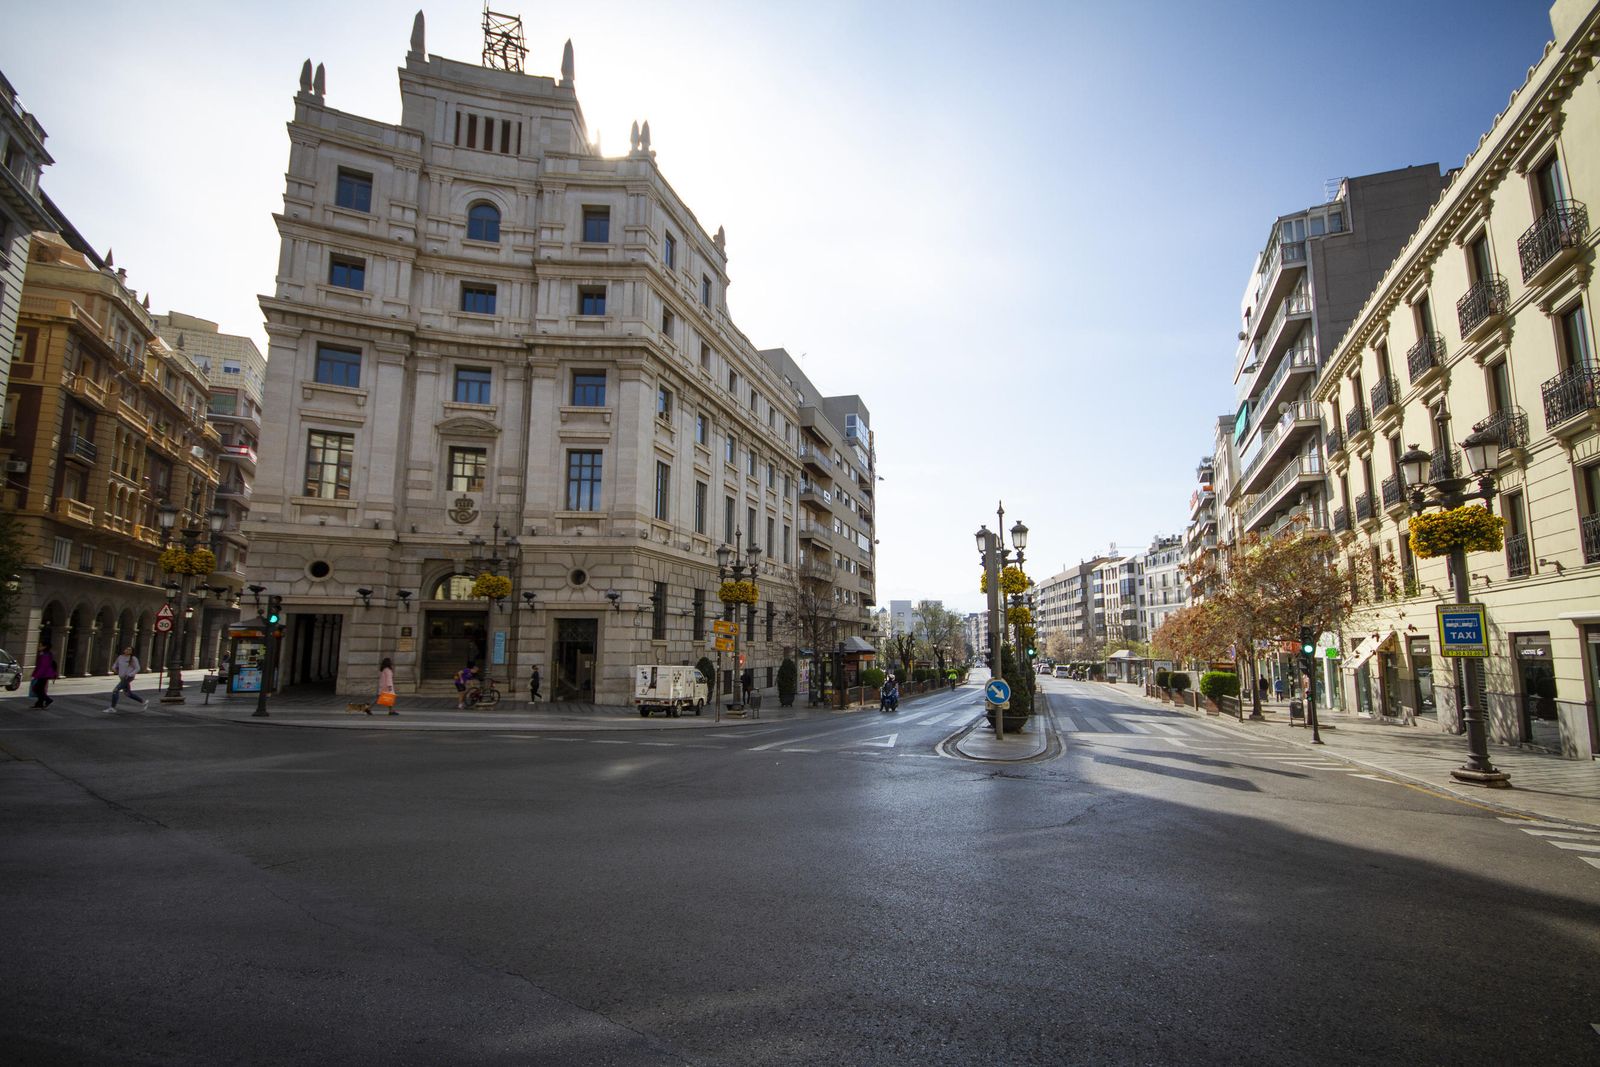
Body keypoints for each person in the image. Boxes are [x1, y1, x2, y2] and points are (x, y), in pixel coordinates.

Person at [106, 646, 147, 714]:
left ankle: (112, 708)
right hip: (122, 677)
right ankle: (143, 702)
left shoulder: (133, 658)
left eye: (130, 650)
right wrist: (114, 669)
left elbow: (137, 668)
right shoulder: (120, 657)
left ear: (132, 652)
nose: (127, 650)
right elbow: (115, 665)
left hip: (128, 677)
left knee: (115, 690)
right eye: (127, 649)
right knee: (128, 693)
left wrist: (130, 674)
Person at [30, 643, 59, 708]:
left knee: (36, 688)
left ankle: (48, 700)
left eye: (40, 646)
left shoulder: (45, 655)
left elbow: (43, 666)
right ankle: (39, 703)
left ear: (45, 646)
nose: (39, 647)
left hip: (44, 674)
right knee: (40, 689)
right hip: (45, 674)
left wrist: (36, 675)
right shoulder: (45, 654)